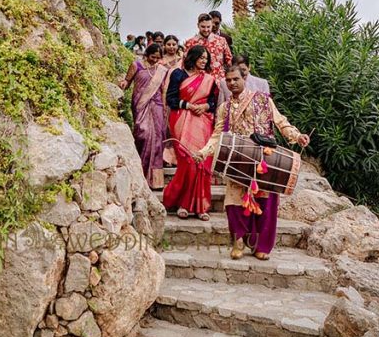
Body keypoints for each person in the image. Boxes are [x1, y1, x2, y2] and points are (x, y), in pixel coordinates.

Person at [196, 65, 310, 260]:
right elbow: (217, 135)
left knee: (266, 203)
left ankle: (260, 245)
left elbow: (281, 122)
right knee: (234, 202)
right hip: (238, 159)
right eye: (228, 80)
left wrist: (297, 136)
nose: (232, 83)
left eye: (235, 79)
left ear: (244, 79)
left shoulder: (263, 101)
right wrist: (203, 152)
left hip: (264, 159)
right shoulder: (225, 108)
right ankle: (238, 241)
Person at [162, 45, 218, 220]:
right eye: (201, 57)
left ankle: (200, 207)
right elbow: (171, 99)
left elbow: (213, 102)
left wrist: (205, 106)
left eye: (206, 58)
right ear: (192, 57)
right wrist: (189, 106)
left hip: (202, 123)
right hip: (181, 120)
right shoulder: (179, 74)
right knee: (188, 162)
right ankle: (183, 204)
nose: (204, 61)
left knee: (201, 162)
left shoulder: (209, 79)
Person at [119, 43, 169, 189]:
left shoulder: (161, 70)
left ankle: (155, 180)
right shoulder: (137, 65)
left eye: (158, 58)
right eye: (153, 57)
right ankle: (140, 173)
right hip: (141, 104)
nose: (155, 60)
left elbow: (163, 90)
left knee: (157, 138)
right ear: (147, 54)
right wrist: (122, 84)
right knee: (143, 134)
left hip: (157, 105)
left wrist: (164, 107)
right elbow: (127, 82)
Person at [184, 13, 233, 80]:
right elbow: (185, 64)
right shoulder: (190, 43)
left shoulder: (221, 41)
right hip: (198, 82)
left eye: (208, 27)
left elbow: (229, 61)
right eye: (203, 27)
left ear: (212, 25)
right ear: (198, 25)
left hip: (219, 80)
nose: (206, 30)